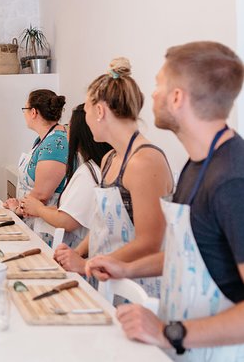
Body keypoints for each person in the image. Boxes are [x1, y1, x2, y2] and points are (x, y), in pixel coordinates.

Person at [86, 42, 244, 359]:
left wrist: (166, 331)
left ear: (177, 97)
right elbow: (187, 255)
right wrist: (125, 269)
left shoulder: (231, 180)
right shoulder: (197, 163)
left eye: (159, 84)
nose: (152, 95)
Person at [75, 58, 173, 296]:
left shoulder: (144, 162)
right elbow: (101, 224)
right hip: (108, 282)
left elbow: (149, 242)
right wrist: (77, 253)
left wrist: (90, 265)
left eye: (87, 110)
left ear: (100, 111)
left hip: (139, 291)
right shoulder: (110, 158)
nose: (86, 120)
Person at [21, 104, 112, 250]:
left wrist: (38, 209)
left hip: (76, 250)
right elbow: (67, 210)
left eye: (69, 126)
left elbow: (67, 220)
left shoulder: (88, 173)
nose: (65, 130)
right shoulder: (94, 167)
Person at [3, 89, 68, 243]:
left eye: (25, 109)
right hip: (33, 219)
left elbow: (42, 195)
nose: (24, 114)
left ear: (33, 112)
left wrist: (18, 209)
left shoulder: (55, 144)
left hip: (47, 228)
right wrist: (18, 203)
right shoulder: (43, 139)